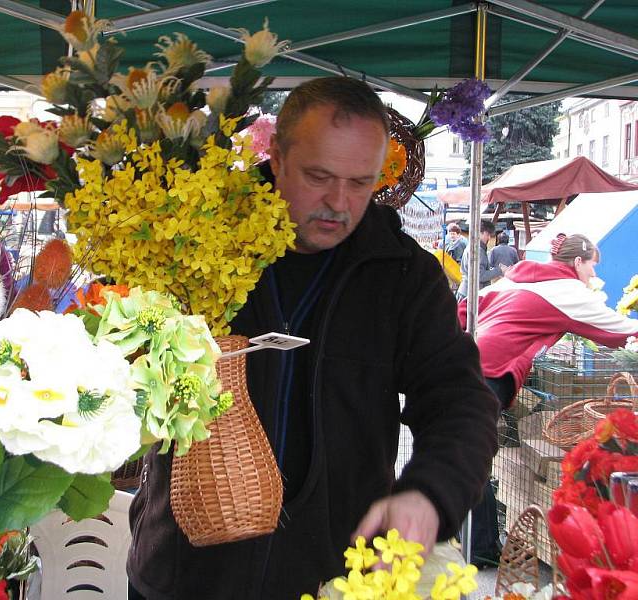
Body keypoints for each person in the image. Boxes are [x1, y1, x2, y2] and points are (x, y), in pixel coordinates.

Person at [127, 77, 500, 599]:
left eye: (360, 183)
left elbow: (460, 399)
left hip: (328, 574)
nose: (339, 204)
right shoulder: (192, 235)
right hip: (183, 569)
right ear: (276, 157)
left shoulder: (402, 275)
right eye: (318, 176)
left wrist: (429, 495)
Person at [458, 232, 638, 567]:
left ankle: (470, 541)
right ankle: (478, 547)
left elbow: (466, 306)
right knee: (472, 455)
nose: (593, 277)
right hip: (490, 372)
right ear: (578, 262)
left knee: (465, 451)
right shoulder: (568, 291)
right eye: (591, 268)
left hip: (464, 362)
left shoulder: (519, 275)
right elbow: (619, 332)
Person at [456, 220, 501, 301]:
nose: (489, 238)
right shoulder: (478, 250)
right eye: (487, 234)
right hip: (470, 295)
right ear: (480, 233)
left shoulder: (473, 246)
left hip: (466, 291)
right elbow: (480, 276)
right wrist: (499, 270)